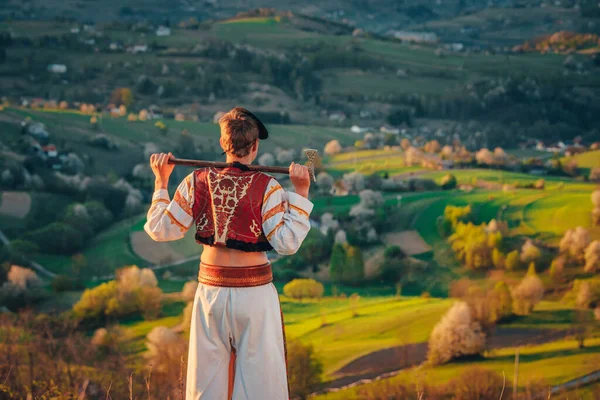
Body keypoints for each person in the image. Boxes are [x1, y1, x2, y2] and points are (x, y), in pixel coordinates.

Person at [144, 107, 313, 400]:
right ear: (255, 146)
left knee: (205, 386)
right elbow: (286, 243)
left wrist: (161, 182)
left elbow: (161, 229)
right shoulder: (268, 187)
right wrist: (301, 192)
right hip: (255, 295)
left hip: (211, 293)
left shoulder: (195, 181)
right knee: (261, 386)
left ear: (223, 144)